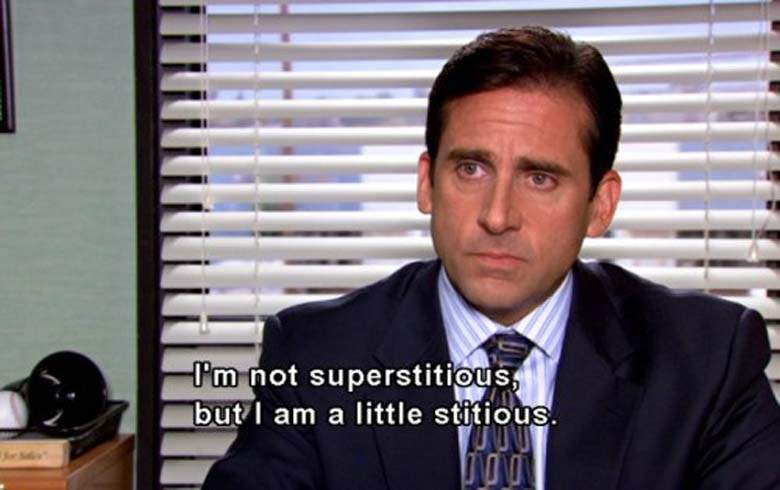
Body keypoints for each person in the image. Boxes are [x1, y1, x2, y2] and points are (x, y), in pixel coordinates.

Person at [202, 26, 780, 490]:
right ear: (427, 182)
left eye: (540, 177)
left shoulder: (708, 361)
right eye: (471, 168)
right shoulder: (317, 358)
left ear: (599, 205)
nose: (497, 216)